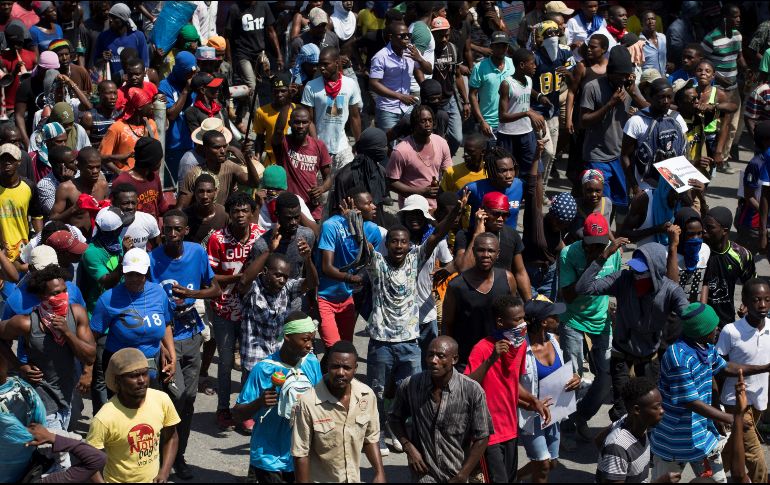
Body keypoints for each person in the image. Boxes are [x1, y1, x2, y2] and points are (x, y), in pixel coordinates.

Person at [651, 302, 770, 482]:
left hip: (702, 437)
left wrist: (765, 367)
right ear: (700, 330)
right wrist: (731, 418)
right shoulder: (678, 358)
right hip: (674, 441)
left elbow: (726, 367)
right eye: (714, 327)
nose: (718, 330)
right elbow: (691, 402)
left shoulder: (705, 348)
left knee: (718, 481)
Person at [576, 241, 689, 421]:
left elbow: (689, 314)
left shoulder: (670, 290)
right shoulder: (622, 279)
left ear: (656, 272)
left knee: (648, 412)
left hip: (650, 359)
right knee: (622, 411)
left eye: (641, 272)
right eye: (634, 270)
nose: (635, 275)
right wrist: (602, 257)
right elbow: (583, 287)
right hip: (621, 358)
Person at [148, 210, 220, 479]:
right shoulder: (153, 259)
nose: (173, 234)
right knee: (173, 397)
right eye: (168, 229)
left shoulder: (196, 253)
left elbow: (216, 290)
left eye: (178, 229)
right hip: (166, 338)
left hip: (191, 335)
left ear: (186, 230)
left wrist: (192, 294)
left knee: (189, 399)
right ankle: (161, 451)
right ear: (162, 229)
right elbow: (147, 296)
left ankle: (179, 456)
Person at [0, 265, 95, 444]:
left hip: (68, 395)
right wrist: (19, 366)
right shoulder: (26, 323)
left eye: (65, 291)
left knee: (53, 453)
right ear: (43, 296)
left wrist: (67, 333)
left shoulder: (77, 314)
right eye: (56, 293)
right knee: (62, 457)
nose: (62, 297)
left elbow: (89, 356)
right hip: (43, 398)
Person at [464, 296, 552, 483]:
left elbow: (512, 383)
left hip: (511, 428)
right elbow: (467, 386)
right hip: (487, 433)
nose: (523, 323)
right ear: (500, 322)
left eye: (524, 318)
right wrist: (491, 360)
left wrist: (532, 400)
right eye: (517, 319)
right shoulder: (482, 348)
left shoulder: (519, 347)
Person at [233, 312, 321, 483]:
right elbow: (237, 414)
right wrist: (259, 402)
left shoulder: (312, 362)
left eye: (312, 339)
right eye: (305, 339)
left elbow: (318, 403)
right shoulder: (263, 369)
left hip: (300, 453)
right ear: (287, 337)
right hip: (269, 456)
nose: (310, 345)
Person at [390, 336, 493, 482]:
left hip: (456, 473)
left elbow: (483, 436)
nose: (433, 360)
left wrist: (463, 474)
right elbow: (394, 417)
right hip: (424, 474)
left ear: (454, 359)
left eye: (441, 356)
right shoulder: (411, 385)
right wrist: (409, 448)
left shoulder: (472, 390)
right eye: (430, 355)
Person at [559, 213, 621, 440]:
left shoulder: (613, 254)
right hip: (574, 320)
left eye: (600, 245)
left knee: (605, 378)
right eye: (591, 245)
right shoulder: (569, 254)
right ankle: (565, 426)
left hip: (601, 320)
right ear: (583, 239)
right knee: (572, 377)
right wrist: (597, 261)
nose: (596, 249)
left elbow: (616, 284)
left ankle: (580, 416)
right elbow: (567, 295)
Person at [207, 192, 264, 430]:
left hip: (252, 309)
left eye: (244, 211)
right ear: (229, 214)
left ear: (252, 213)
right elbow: (209, 276)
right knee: (226, 361)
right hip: (224, 308)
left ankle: (244, 410)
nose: (240, 215)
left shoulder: (261, 237)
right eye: (235, 211)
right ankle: (223, 408)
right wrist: (241, 277)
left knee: (250, 363)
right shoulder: (217, 239)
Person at [292, 339, 385, 483]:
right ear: (327, 366)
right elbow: (300, 453)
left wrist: (379, 472)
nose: (340, 372)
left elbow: (371, 438)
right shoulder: (308, 402)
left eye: (346, 368)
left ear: (355, 368)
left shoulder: (366, 396)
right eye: (335, 367)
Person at [86, 347, 180, 483]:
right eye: (133, 376)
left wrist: (164, 472)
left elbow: (172, 437)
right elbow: (89, 460)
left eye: (145, 373)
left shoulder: (162, 400)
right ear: (118, 380)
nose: (142, 380)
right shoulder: (104, 418)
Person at [89, 247, 176, 391]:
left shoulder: (159, 293)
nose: (134, 279)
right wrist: (88, 369)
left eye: (138, 274)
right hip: (121, 368)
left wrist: (172, 357)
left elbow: (166, 325)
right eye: (129, 274)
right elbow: (92, 336)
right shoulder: (108, 299)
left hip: (151, 366)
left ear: (147, 272)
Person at [517, 299, 581, 483]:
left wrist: (575, 378)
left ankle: (516, 476)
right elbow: (512, 383)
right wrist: (531, 402)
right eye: (553, 315)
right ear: (544, 322)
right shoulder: (522, 349)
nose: (558, 318)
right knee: (543, 465)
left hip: (554, 414)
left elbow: (563, 373)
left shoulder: (555, 340)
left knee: (551, 462)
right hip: (531, 416)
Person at [239, 235, 318, 378]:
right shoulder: (253, 289)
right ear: (264, 272)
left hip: (279, 362)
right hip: (255, 363)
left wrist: (308, 259)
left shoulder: (287, 288)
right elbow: (244, 280)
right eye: (277, 275)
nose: (282, 280)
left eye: (285, 277)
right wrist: (268, 251)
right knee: (253, 400)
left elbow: (311, 283)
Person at [581, 45, 649, 211]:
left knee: (621, 207)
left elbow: (650, 111)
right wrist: (610, 104)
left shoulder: (629, 87)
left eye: (627, 75)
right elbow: (584, 121)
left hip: (620, 157)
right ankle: (603, 237)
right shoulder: (592, 87)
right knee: (601, 206)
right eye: (620, 76)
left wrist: (633, 93)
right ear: (610, 72)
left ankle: (618, 237)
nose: (624, 79)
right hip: (597, 156)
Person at [717, 279, 770, 484]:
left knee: (731, 449)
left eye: (767, 300)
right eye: (757, 300)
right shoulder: (732, 331)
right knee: (756, 457)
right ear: (746, 301)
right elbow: (718, 366)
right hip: (735, 403)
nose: (763, 305)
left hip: (759, 402)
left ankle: (712, 477)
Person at [316, 187, 383, 349]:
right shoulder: (331, 226)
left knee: (345, 349)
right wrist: (350, 278)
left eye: (373, 203)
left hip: (347, 298)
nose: (374, 207)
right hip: (325, 297)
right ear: (351, 204)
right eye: (368, 203)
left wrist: (357, 230)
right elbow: (327, 267)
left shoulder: (373, 231)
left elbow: (369, 263)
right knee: (333, 349)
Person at [444, 232, 517, 369]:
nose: (486, 255)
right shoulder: (456, 285)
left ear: (498, 253)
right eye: (481, 250)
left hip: (500, 359)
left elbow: (514, 317)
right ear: (473, 251)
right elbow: (447, 326)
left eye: (491, 251)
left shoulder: (508, 279)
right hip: (467, 362)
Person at [398, 194, 455, 359]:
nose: (414, 218)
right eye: (410, 214)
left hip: (426, 311)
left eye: (419, 214)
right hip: (400, 313)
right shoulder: (395, 238)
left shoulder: (437, 240)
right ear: (404, 216)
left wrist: (445, 271)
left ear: (425, 217)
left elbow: (450, 263)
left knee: (429, 360)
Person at [595, 377, 680, 483]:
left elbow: (598, 440)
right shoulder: (617, 448)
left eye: (661, 405)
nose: (662, 411)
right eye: (656, 407)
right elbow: (608, 444)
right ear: (637, 410)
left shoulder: (629, 420)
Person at [453, 192, 531, 301]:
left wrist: (530, 303)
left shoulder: (512, 235)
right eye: (495, 214)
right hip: (473, 297)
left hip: (502, 299)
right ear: (482, 211)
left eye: (505, 215)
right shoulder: (465, 235)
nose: (500, 219)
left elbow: (520, 272)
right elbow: (463, 268)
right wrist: (478, 234)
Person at [241, 192, 317, 303]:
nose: (293, 222)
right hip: (269, 307)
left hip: (297, 303)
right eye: (288, 218)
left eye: (297, 217)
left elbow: (309, 275)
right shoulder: (262, 246)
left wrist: (308, 258)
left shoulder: (307, 236)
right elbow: (249, 282)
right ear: (277, 214)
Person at [701, 3, 748, 173]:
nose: (738, 19)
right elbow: (703, 64)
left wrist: (746, 70)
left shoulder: (737, 36)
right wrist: (720, 78)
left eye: (739, 16)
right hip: (716, 90)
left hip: (733, 88)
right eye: (734, 16)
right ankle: (710, 156)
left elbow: (739, 57)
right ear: (725, 18)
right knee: (717, 125)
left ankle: (723, 159)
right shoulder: (710, 38)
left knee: (733, 125)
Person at [301, 46, 362, 173]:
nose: (321, 68)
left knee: (346, 186)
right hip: (319, 147)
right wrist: (316, 145)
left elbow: (355, 117)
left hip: (343, 147)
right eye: (320, 64)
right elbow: (309, 120)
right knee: (322, 190)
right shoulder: (311, 86)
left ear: (337, 63)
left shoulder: (350, 84)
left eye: (326, 64)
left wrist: (359, 142)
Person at [621, 78, 688, 191]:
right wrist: (635, 188)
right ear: (650, 98)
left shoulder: (677, 118)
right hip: (646, 186)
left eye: (669, 97)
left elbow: (685, 150)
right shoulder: (636, 121)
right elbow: (624, 156)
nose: (666, 101)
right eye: (661, 97)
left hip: (674, 185)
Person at [272, 104, 332, 221]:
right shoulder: (284, 143)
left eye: (304, 122)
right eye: (297, 122)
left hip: (312, 209)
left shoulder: (319, 145)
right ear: (290, 124)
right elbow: (278, 130)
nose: (300, 126)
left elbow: (329, 177)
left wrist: (321, 189)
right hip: (288, 209)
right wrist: (287, 102)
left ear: (310, 124)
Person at [386, 105, 451, 210]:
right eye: (423, 121)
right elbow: (391, 182)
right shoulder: (401, 151)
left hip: (436, 207)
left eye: (430, 120)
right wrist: (421, 192)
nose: (428, 124)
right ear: (414, 125)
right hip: (412, 209)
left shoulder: (441, 143)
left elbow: (448, 173)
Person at [177, 129, 259, 209]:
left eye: (225, 146)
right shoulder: (194, 174)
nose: (223, 151)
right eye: (217, 147)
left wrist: (247, 158)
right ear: (205, 149)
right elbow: (181, 207)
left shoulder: (231, 167)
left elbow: (254, 183)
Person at [532, 20, 571, 184]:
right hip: (537, 111)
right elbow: (524, 84)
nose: (554, 36)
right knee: (546, 151)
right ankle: (535, 185)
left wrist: (568, 73)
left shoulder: (564, 53)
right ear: (541, 37)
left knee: (552, 153)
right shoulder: (534, 57)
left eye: (556, 32)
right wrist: (539, 96)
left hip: (553, 110)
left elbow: (576, 76)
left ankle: (542, 187)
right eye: (549, 33)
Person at [369, 22, 427, 130]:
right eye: (402, 36)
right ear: (391, 37)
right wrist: (400, 96)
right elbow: (373, 83)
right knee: (390, 144)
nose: (406, 38)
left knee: (409, 143)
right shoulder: (381, 57)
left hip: (407, 109)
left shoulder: (412, 53)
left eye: (408, 35)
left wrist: (419, 58)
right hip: (387, 110)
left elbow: (428, 70)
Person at [224, 1, 283, 96]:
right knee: (252, 85)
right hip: (243, 53)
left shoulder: (263, 6)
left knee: (268, 80)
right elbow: (227, 36)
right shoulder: (235, 9)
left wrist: (279, 55)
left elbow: (271, 31)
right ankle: (256, 110)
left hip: (260, 53)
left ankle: (244, 108)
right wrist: (229, 59)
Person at [429, 15, 468, 155]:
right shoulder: (428, 52)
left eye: (446, 35)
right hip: (433, 103)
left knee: (457, 138)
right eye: (440, 36)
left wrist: (466, 102)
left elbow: (457, 75)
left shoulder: (453, 48)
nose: (444, 39)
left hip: (450, 99)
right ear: (432, 34)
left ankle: (446, 157)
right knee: (437, 139)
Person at [49, 146, 108, 237]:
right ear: (79, 166)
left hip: (98, 240)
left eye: (98, 167)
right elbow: (52, 219)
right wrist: (74, 209)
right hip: (75, 241)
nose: (95, 171)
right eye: (90, 168)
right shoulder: (66, 188)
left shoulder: (103, 186)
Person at [99, 87, 160, 175]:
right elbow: (102, 157)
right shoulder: (117, 128)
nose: (152, 106)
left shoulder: (151, 124)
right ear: (139, 108)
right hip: (126, 181)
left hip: (146, 178)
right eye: (149, 104)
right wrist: (120, 173)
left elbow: (156, 154)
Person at [0, 143, 43, 261]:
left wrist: (40, 243)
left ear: (18, 161)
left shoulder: (29, 186)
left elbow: (36, 216)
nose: (7, 163)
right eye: (3, 159)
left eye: (11, 159)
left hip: (22, 249)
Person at [157, 51, 196, 176]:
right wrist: (185, 91)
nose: (192, 77)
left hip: (194, 144)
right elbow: (171, 115)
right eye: (189, 74)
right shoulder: (165, 85)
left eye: (194, 73)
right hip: (174, 147)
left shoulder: (195, 83)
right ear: (180, 71)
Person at [469, 31, 515, 138]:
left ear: (507, 47)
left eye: (504, 46)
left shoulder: (513, 64)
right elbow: (472, 95)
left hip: (510, 123)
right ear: (491, 47)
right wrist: (481, 121)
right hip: (489, 125)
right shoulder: (479, 67)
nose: (501, 49)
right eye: (497, 46)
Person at [112, 137, 168, 220]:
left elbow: (161, 206)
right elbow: (114, 213)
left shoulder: (154, 177)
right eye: (159, 159)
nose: (160, 162)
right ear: (151, 161)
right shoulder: (122, 181)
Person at [93, 3, 149, 80]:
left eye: (114, 18)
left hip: (133, 82)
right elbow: (96, 63)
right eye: (110, 17)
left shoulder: (138, 36)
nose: (110, 20)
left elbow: (145, 65)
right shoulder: (103, 37)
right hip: (112, 85)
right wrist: (103, 59)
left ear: (123, 20)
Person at [254, 73, 296, 167]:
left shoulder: (296, 110)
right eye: (276, 91)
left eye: (283, 91)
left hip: (293, 161)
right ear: (271, 92)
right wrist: (257, 156)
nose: (279, 94)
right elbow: (259, 138)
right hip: (272, 161)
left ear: (289, 91)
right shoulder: (261, 112)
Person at [111, 183, 161, 251]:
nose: (130, 207)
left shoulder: (148, 220)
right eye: (125, 203)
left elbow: (158, 249)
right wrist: (121, 250)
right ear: (114, 203)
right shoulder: (107, 225)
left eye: (133, 203)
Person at [37, 145, 77, 215]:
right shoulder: (45, 185)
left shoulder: (79, 173)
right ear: (61, 166)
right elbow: (54, 213)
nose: (76, 163)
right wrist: (68, 183)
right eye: (72, 162)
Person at [80, 80, 120, 149]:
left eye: (115, 93)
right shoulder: (90, 117)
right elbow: (84, 145)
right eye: (109, 93)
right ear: (99, 94)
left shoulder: (119, 115)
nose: (113, 97)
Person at [639, 11, 667, 76]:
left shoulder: (663, 37)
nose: (651, 22)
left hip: (662, 78)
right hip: (648, 82)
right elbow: (638, 66)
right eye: (647, 19)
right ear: (641, 23)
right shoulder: (639, 42)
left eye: (653, 19)